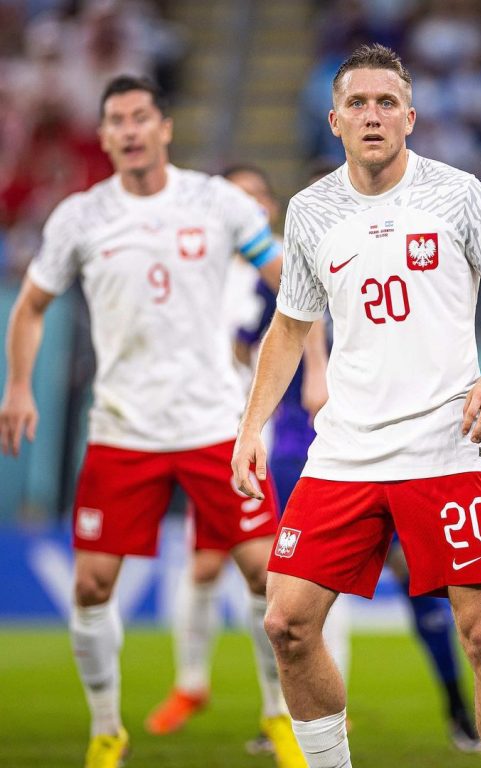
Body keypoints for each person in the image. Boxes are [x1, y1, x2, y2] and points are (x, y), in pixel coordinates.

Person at [232, 44, 481, 768]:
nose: (372, 115)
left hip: (446, 445)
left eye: (386, 103)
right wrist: (250, 427)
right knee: (286, 624)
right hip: (346, 451)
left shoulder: (459, 194)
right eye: (357, 103)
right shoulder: (310, 210)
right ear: (334, 119)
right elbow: (291, 326)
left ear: (410, 116)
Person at [0, 75, 308, 768]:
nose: (131, 129)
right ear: (104, 136)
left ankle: (277, 715)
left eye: (141, 116)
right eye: (117, 120)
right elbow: (30, 307)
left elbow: (288, 282)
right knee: (91, 585)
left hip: (214, 426)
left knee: (267, 575)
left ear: (164, 127)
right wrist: (19, 386)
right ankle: (108, 729)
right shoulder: (80, 217)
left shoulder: (217, 201)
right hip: (123, 430)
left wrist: (316, 356)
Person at [144, 165, 333, 761]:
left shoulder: (272, 262)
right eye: (237, 195)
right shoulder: (197, 260)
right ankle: (192, 685)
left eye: (256, 195)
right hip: (198, 431)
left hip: (253, 433)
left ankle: (283, 711)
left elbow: (304, 314)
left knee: (266, 571)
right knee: (204, 566)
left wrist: (317, 372)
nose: (248, 206)